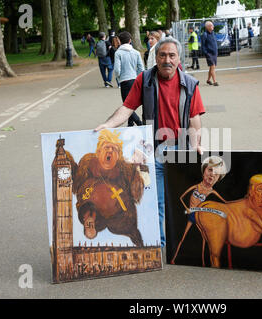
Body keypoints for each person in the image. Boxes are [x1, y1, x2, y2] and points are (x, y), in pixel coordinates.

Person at [94, 37, 206, 247]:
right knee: (157, 201)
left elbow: (194, 119)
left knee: (181, 199)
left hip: (180, 150)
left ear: (178, 58)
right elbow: (127, 108)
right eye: (162, 55)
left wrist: (196, 144)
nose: (167, 60)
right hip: (152, 151)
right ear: (155, 57)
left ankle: (181, 244)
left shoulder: (190, 84)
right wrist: (109, 124)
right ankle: (160, 245)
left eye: (172, 55)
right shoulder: (144, 80)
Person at [170, 156, 227, 265]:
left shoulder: (212, 192)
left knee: (204, 239)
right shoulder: (196, 186)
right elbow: (181, 197)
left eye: (216, 173)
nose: (212, 174)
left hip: (200, 217)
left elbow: (225, 201)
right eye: (210, 170)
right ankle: (174, 258)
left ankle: (203, 262)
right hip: (191, 215)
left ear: (219, 178)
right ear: (204, 170)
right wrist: (187, 208)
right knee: (183, 237)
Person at [113, 31, 144, 126]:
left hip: (125, 81)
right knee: (131, 104)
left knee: (126, 106)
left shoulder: (118, 53)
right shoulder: (136, 52)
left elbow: (117, 70)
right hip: (134, 80)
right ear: (130, 40)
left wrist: (119, 78)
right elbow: (141, 68)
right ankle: (130, 123)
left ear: (119, 41)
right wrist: (137, 77)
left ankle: (139, 122)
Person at [201, 21, 219, 86]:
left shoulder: (213, 33)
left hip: (214, 53)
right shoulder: (205, 34)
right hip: (209, 53)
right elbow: (203, 45)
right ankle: (215, 81)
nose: (213, 26)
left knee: (212, 68)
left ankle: (208, 80)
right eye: (211, 25)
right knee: (213, 66)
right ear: (207, 27)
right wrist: (206, 53)